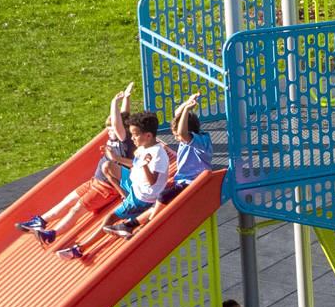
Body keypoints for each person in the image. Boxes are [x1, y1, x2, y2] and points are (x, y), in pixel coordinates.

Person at [14, 84, 136, 245]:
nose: (109, 132)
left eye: (111, 129)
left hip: (106, 188)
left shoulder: (124, 141)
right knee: (68, 200)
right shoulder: (117, 136)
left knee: (76, 209)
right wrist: (126, 98)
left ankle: (51, 235)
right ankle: (40, 221)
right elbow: (123, 118)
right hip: (95, 181)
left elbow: (118, 123)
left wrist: (114, 102)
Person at [55, 111, 171, 261]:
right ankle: (124, 196)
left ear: (148, 135)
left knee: (110, 218)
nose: (132, 138)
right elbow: (135, 163)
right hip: (134, 183)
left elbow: (152, 181)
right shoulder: (144, 147)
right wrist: (116, 157)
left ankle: (80, 248)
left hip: (142, 196)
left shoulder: (158, 154)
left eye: (135, 135)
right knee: (108, 165)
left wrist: (144, 166)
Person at [108, 92, 213, 238]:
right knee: (160, 203)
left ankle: (146, 228)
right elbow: (178, 117)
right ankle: (129, 225)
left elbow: (182, 132)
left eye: (176, 135)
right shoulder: (194, 133)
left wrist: (186, 110)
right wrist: (186, 105)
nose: (176, 138)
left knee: (163, 196)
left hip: (194, 182)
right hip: (182, 181)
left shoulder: (200, 142)